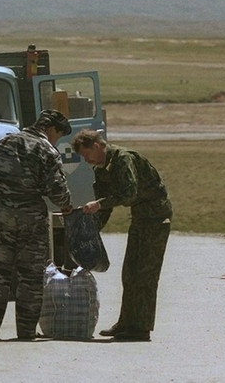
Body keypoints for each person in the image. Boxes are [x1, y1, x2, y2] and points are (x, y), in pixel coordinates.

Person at [0, 109, 74, 341]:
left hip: (3, 217)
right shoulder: (46, 149)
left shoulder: (5, 142)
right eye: (57, 135)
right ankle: (26, 332)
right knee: (30, 277)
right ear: (50, 129)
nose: (56, 140)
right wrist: (67, 206)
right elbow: (57, 189)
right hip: (32, 221)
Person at [73, 129, 172, 342]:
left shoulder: (123, 159)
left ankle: (141, 328)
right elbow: (104, 205)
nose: (86, 158)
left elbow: (129, 194)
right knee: (130, 273)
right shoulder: (101, 169)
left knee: (145, 274)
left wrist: (99, 204)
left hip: (156, 218)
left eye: (86, 153)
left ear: (98, 145)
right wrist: (91, 229)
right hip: (140, 218)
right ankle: (127, 323)